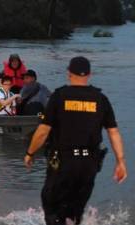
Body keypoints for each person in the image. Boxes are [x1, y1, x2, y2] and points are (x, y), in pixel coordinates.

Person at [24, 56, 127, 225]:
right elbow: (113, 132)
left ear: (68, 73)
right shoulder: (100, 99)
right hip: (89, 165)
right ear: (89, 74)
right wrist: (120, 162)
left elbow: (43, 131)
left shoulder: (59, 96)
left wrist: (30, 153)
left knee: (51, 206)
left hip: (63, 162)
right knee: (75, 211)